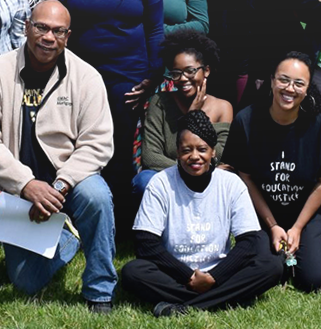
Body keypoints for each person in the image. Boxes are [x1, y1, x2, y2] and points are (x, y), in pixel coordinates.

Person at [0, 0, 119, 312]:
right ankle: (66, 239)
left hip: (70, 182)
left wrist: (61, 185)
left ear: (67, 36)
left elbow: (98, 143)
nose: (48, 37)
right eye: (41, 27)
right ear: (27, 28)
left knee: (98, 197)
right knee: (27, 281)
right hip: (16, 190)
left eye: (58, 31)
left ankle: (99, 290)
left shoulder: (86, 78)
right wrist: (26, 184)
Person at [44, 0, 164, 223]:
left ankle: (121, 223)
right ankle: (75, 217)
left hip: (128, 82)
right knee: (77, 152)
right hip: (77, 80)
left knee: (120, 153)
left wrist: (152, 78)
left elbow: (155, 32)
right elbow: (52, 26)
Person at [121, 111, 290, 316]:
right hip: (175, 273)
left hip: (220, 271)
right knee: (133, 272)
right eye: (186, 150)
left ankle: (183, 308)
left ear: (213, 153)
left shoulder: (231, 183)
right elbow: (146, 244)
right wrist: (188, 276)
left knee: (271, 265)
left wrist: (214, 277)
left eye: (202, 149)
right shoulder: (160, 183)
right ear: (177, 153)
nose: (194, 156)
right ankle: (227, 298)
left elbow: (250, 242)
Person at [224, 52, 321, 294]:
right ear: (271, 80)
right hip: (261, 213)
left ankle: (305, 248)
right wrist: (272, 225)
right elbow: (245, 177)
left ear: (309, 88)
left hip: (307, 214)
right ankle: (280, 258)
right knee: (268, 270)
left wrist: (297, 227)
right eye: (283, 80)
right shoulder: (245, 120)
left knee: (316, 279)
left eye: (299, 83)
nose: (290, 88)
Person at [138, 28, 234, 194]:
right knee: (144, 179)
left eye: (190, 71)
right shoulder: (159, 103)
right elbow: (150, 157)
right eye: (176, 73)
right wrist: (191, 116)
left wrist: (193, 118)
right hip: (170, 178)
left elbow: (219, 154)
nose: (183, 79)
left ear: (207, 71)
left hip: (207, 181)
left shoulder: (222, 107)